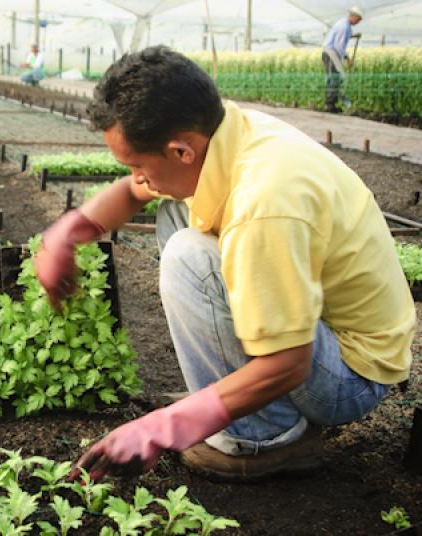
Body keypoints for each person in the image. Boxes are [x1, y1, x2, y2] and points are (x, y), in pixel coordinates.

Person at [35, 46, 414, 482]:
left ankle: (261, 438)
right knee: (177, 213)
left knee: (189, 256)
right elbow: (129, 193)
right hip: (321, 323)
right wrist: (68, 233)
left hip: (349, 374)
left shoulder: (266, 200)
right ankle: (236, 397)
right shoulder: (225, 137)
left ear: (181, 151)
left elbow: (288, 363)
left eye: (138, 165)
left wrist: (165, 428)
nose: (137, 178)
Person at [321, 6, 363, 113]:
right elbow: (339, 45)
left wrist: (353, 36)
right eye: (358, 20)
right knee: (335, 78)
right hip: (331, 52)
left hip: (331, 52)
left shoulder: (344, 24)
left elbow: (342, 37)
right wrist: (347, 58)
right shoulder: (344, 26)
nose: (358, 22)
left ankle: (331, 104)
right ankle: (330, 105)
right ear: (353, 16)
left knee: (335, 78)